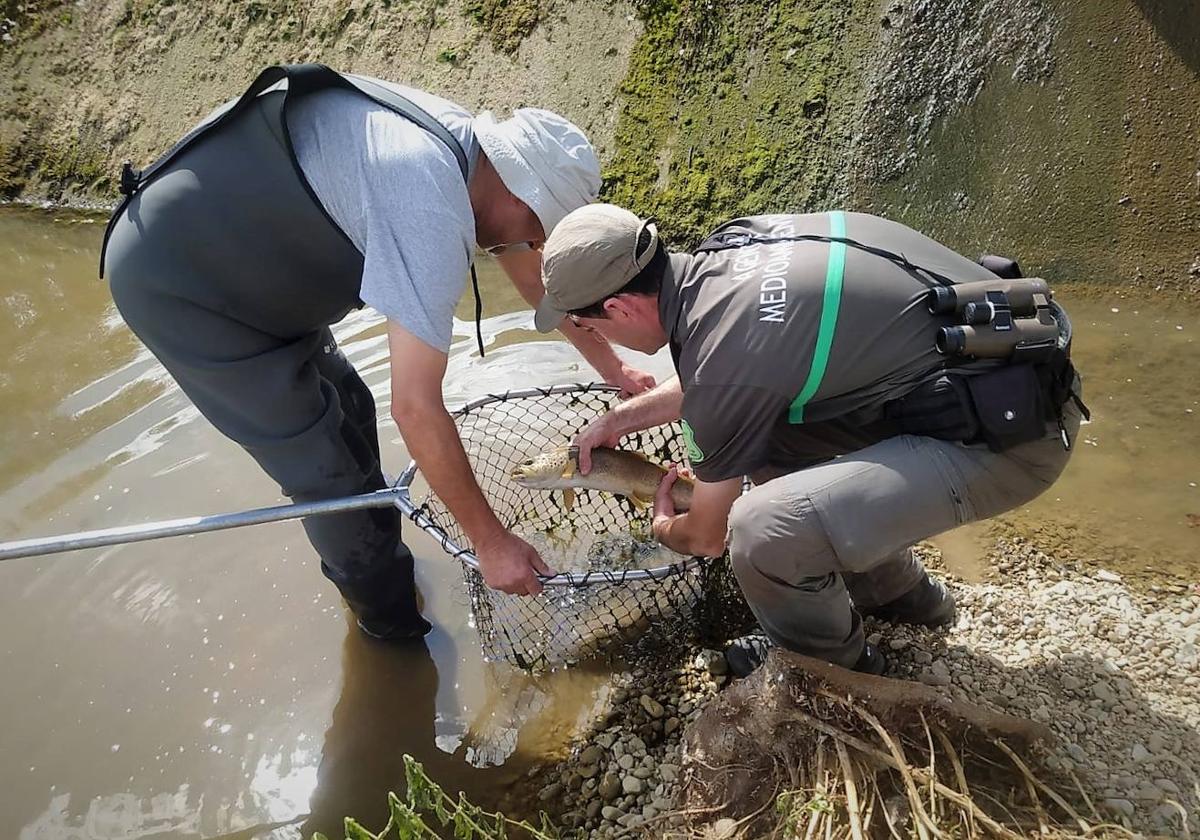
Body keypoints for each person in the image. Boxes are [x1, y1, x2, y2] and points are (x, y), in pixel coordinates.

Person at [101, 64, 654, 642]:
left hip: (260, 264)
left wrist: (614, 369)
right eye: (542, 229)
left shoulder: (474, 158)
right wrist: (490, 543)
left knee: (351, 411)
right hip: (187, 287)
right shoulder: (428, 197)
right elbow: (415, 407)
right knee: (328, 473)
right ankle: (389, 628)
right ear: (517, 187)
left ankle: (387, 573)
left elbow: (539, 278)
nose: (538, 245)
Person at [535, 203, 1086, 676]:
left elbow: (707, 536)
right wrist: (622, 419)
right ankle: (903, 598)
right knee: (771, 439)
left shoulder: (723, 363)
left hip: (1015, 439)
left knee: (760, 528)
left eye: (587, 327)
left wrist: (664, 528)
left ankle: (839, 671)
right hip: (1008, 366)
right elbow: (745, 364)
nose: (597, 337)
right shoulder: (735, 247)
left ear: (618, 308)